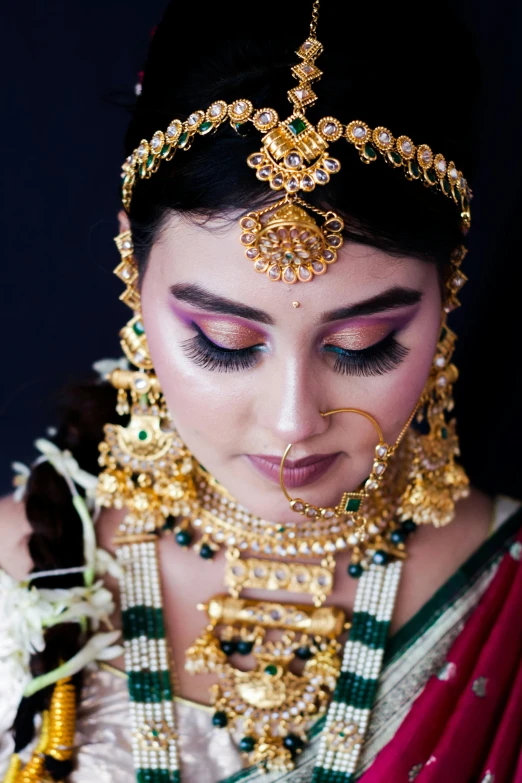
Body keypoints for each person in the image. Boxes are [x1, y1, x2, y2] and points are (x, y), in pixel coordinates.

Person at [1, 1, 521, 782]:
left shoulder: (504, 596)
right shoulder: (15, 571)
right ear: (130, 268)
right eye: (227, 342)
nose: (292, 420)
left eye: (362, 345)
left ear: (449, 291)